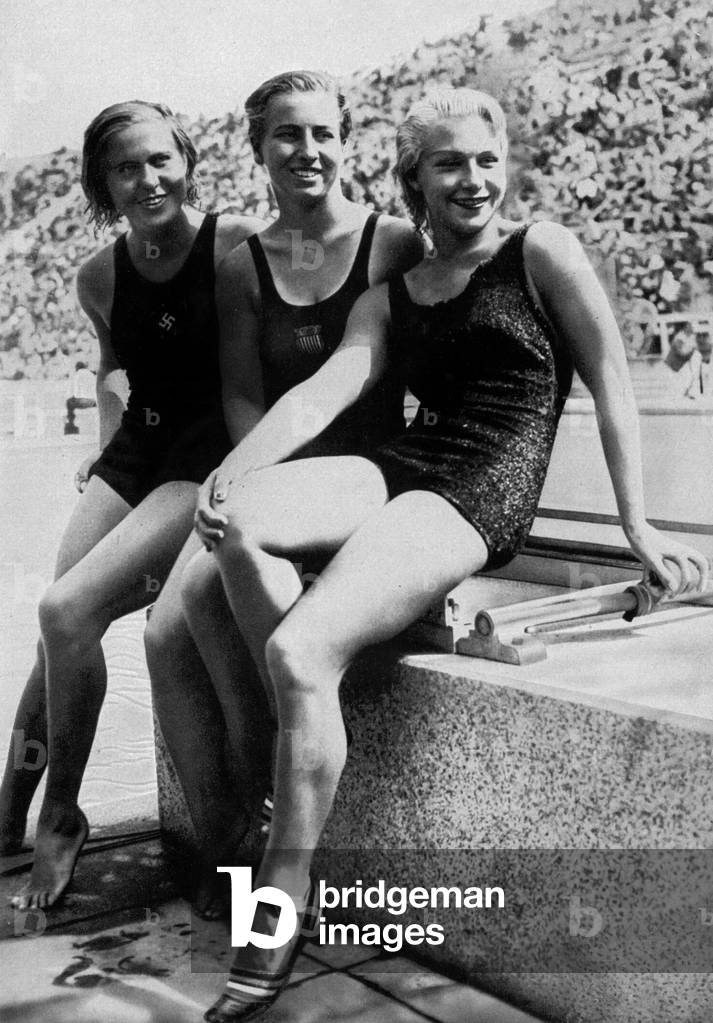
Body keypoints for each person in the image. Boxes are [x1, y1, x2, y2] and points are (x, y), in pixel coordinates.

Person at [191, 87, 709, 1022]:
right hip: (404, 466)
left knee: (298, 649)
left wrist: (638, 524)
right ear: (412, 181)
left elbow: (611, 384)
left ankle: (279, 900)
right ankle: (314, 714)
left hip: (480, 485)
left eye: (483, 160)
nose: (471, 179)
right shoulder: (391, 296)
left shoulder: (540, 252)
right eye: (447, 164)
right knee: (245, 520)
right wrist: (227, 473)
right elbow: (317, 396)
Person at [144, 69, 423, 919]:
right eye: (286, 136)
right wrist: (257, 472)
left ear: (347, 141)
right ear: (258, 147)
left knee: (210, 594)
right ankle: (223, 838)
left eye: (323, 134)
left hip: (368, 479)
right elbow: (242, 397)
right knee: (164, 631)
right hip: (278, 476)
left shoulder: (391, 243)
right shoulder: (242, 265)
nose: (308, 152)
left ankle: (270, 769)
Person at [1, 99, 265, 910]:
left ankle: (62, 815)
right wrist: (108, 440)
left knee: (65, 607)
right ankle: (11, 815)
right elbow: (113, 368)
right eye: (126, 167)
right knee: (57, 633)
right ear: (101, 184)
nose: (147, 179)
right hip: (135, 457)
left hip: (204, 460)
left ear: (186, 159)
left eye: (160, 160)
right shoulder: (96, 276)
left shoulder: (235, 245)